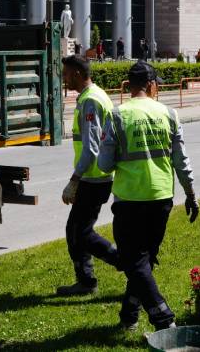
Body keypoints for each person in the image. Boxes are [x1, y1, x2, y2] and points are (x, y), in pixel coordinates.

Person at [98, 61, 199, 331]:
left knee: (135, 262)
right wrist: (191, 194)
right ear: (152, 85)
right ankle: (128, 317)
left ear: (128, 86)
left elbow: (105, 165)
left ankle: (164, 320)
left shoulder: (117, 115)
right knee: (143, 260)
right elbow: (182, 161)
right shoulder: (169, 114)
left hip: (130, 200)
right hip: (161, 198)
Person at [56, 55, 120, 296]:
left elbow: (92, 147)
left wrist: (74, 180)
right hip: (93, 178)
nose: (64, 78)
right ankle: (85, 280)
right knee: (75, 231)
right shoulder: (93, 96)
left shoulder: (91, 101)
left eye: (66, 74)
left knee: (81, 233)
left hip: (94, 179)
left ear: (78, 74)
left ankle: (122, 261)